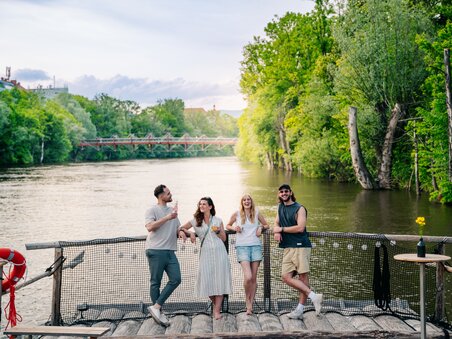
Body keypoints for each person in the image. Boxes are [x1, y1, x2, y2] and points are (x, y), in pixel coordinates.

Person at [272, 184, 323, 319]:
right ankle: (313, 296)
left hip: (301, 246)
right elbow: (276, 223)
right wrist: (276, 230)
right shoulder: (280, 207)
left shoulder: (299, 208)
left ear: (290, 192)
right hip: (288, 247)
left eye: (286, 191)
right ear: (279, 194)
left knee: (303, 278)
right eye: (281, 192)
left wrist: (281, 230)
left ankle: (299, 310)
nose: (284, 193)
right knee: (285, 277)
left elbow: (300, 227)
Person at [179, 197, 232, 320]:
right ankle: (215, 305)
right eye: (200, 204)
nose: (201, 206)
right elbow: (181, 228)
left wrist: (218, 231)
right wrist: (190, 233)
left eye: (204, 204)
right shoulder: (195, 220)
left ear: (210, 207)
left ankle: (217, 311)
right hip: (206, 253)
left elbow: (224, 238)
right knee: (206, 280)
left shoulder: (218, 220)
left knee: (220, 280)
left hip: (220, 252)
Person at [145, 184, 183, 327]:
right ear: (161, 196)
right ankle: (158, 314)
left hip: (170, 251)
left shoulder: (172, 211)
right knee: (156, 282)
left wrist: (182, 232)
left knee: (176, 279)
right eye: (168, 193)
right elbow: (150, 227)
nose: (170, 194)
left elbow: (178, 227)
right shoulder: (152, 209)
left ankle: (156, 307)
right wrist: (167, 217)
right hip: (155, 250)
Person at [225, 194, 269, 315]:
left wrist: (261, 227)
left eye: (248, 199)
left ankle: (250, 305)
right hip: (242, 247)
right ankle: (247, 299)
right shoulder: (237, 214)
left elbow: (267, 225)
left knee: (254, 278)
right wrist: (235, 228)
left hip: (255, 246)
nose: (246, 201)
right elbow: (227, 225)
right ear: (242, 202)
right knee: (248, 276)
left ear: (251, 201)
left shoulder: (256, 213)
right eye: (244, 200)